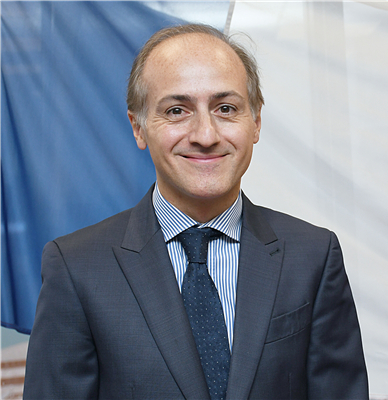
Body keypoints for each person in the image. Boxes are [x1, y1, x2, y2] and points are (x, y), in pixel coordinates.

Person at [23, 24, 368, 400]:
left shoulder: (314, 256)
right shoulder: (76, 268)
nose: (206, 135)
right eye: (177, 110)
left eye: (226, 108)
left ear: (255, 121)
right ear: (138, 128)